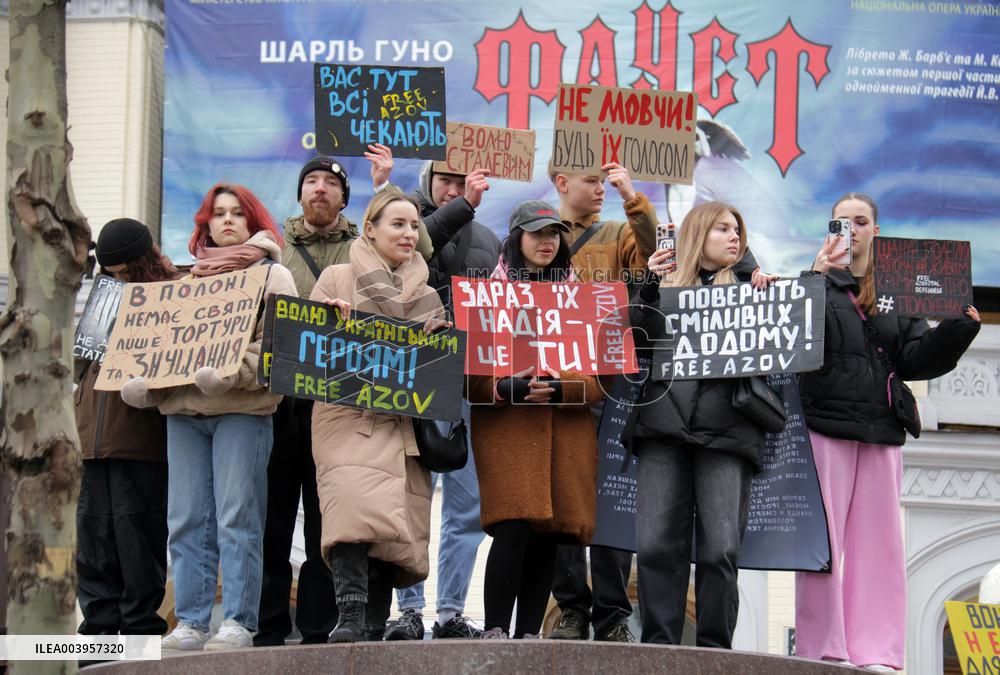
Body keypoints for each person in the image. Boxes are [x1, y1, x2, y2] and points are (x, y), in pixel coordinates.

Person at [795, 193, 981, 672]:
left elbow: (917, 359)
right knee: (824, 545)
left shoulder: (898, 290)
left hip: (880, 430)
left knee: (879, 545)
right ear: (830, 227)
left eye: (861, 221)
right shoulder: (813, 282)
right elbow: (795, 341)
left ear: (877, 230)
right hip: (826, 426)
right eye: (843, 221)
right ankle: (823, 648)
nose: (852, 229)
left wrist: (958, 327)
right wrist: (816, 275)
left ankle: (875, 651)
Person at [121, 184, 297, 651]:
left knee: (237, 516)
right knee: (185, 520)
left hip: (242, 412)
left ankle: (239, 620)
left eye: (237, 213)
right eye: (217, 214)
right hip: (183, 416)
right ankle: (191, 622)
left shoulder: (273, 276)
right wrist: (144, 382)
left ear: (253, 221)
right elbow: (162, 349)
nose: (226, 221)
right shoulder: (184, 282)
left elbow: (282, 350)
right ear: (204, 224)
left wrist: (232, 375)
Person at [256, 145, 408, 647]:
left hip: (338, 408)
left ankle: (323, 628)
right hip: (281, 406)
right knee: (273, 519)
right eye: (311, 181)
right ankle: (271, 626)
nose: (320, 188)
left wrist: (385, 184)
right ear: (299, 193)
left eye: (331, 182)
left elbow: (417, 244)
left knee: (332, 518)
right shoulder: (273, 249)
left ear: (346, 199)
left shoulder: (363, 251)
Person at [628, 201, 777, 647]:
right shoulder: (660, 288)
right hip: (662, 429)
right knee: (654, 546)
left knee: (720, 550)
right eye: (723, 229)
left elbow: (794, 340)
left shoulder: (755, 290)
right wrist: (650, 284)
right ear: (697, 235)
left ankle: (714, 651)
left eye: (738, 230)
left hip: (728, 433)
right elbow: (632, 341)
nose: (735, 237)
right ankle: (658, 647)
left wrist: (766, 296)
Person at [309, 189, 446, 643]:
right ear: (370, 228)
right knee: (351, 508)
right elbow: (307, 348)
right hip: (346, 417)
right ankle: (348, 615)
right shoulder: (335, 278)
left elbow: (436, 375)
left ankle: (371, 622)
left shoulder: (429, 297)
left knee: (391, 524)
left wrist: (440, 344)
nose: (409, 233)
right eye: (398, 224)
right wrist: (329, 321)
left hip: (401, 426)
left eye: (414, 226)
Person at [466, 200, 604, 640]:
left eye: (553, 234)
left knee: (549, 532)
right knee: (512, 525)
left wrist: (565, 389)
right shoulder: (487, 295)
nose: (546, 241)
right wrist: (504, 387)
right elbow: (469, 379)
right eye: (536, 233)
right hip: (509, 430)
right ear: (516, 239)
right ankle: (493, 630)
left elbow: (602, 380)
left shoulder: (582, 297)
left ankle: (528, 634)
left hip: (566, 433)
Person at [385, 162, 498, 641]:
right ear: (428, 184)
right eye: (445, 181)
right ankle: (409, 608)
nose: (454, 189)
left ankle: (450, 610)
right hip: (411, 376)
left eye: (462, 181)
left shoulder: (491, 241)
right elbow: (425, 239)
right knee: (409, 497)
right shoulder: (409, 228)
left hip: (468, 379)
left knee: (467, 503)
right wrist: (463, 203)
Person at [547, 161, 657, 643]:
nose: (600, 189)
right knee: (565, 501)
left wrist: (632, 196)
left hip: (613, 384)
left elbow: (655, 254)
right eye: (592, 181)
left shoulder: (618, 231)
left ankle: (612, 613)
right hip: (562, 385)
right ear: (562, 183)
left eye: (603, 182)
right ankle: (571, 607)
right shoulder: (538, 229)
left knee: (611, 499)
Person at [75, 218, 176, 637]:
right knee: (92, 543)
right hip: (90, 440)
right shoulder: (98, 295)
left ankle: (138, 637)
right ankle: (96, 639)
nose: (116, 279)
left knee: (138, 544)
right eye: (109, 272)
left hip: (141, 439)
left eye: (124, 271)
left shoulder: (171, 291)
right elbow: (78, 365)